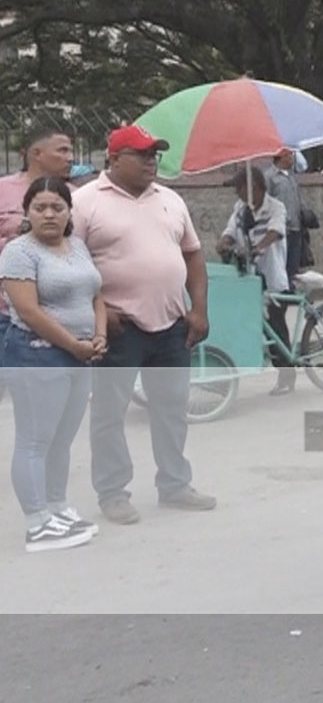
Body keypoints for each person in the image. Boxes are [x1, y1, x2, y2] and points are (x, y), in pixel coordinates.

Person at [73, 125, 216, 525]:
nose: (152, 161)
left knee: (171, 410)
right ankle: (113, 493)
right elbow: (67, 264)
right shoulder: (84, 202)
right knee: (109, 414)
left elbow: (193, 257)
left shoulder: (170, 199)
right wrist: (97, 312)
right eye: (141, 154)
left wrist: (199, 309)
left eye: (155, 153)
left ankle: (174, 485)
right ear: (114, 159)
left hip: (171, 325)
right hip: (120, 328)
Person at [0, 177, 106, 552]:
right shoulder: (18, 252)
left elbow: (97, 295)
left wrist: (99, 335)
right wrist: (73, 345)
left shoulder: (77, 246)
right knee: (34, 440)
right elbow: (28, 310)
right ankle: (37, 522)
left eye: (57, 207)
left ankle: (57, 507)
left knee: (61, 439)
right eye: (39, 207)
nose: (49, 214)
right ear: (27, 212)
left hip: (80, 355)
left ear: (68, 211)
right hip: (37, 353)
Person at [0, 128, 76, 402]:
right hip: (6, 312)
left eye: (71, 150)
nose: (70, 157)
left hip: (59, 317)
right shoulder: (4, 189)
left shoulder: (77, 196)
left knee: (48, 404)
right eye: (62, 150)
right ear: (36, 154)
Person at [216, 167, 295, 395]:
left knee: (276, 329)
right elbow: (230, 231)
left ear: (255, 187)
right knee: (240, 325)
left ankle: (286, 375)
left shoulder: (276, 208)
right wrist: (224, 241)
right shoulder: (240, 209)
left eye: (240, 188)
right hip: (247, 280)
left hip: (272, 278)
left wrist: (258, 248)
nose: (238, 194)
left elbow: (275, 232)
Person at [267, 148, 307, 278]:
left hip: (296, 227)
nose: (292, 157)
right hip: (281, 229)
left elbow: (297, 197)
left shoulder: (291, 176)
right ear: (281, 156)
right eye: (289, 154)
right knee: (280, 265)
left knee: (293, 265)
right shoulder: (269, 177)